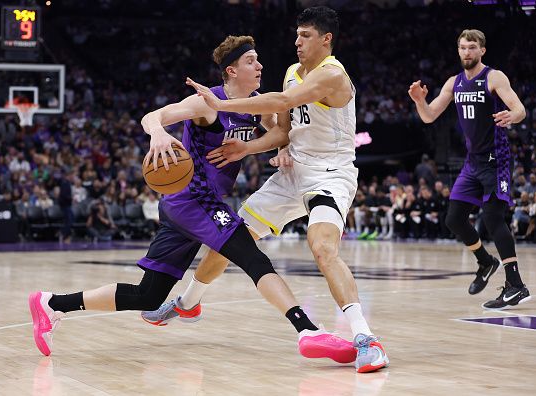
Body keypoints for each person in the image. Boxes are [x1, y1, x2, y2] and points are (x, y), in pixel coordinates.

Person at [28, 35, 354, 363]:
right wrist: (157, 132)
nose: (260, 66)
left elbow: (276, 131)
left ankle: (52, 303)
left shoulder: (251, 105)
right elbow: (154, 116)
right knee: (253, 258)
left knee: (148, 294)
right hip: (194, 199)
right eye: (251, 61)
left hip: (184, 207)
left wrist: (276, 149)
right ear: (232, 70)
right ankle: (308, 330)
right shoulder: (206, 102)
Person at [144, 7, 388, 373]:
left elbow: (283, 102)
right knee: (228, 240)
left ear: (326, 40)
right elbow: (283, 130)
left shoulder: (332, 75)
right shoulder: (293, 73)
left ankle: (366, 339)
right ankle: (188, 302)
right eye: (296, 35)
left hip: (330, 175)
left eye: (305, 36)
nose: (297, 42)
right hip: (292, 175)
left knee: (322, 247)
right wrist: (251, 148)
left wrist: (223, 104)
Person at [408, 29, 530, 309]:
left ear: (482, 51)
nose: (466, 52)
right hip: (472, 163)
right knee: (454, 219)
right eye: (462, 47)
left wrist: (513, 115)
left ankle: (516, 285)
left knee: (492, 218)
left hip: (495, 161)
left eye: (472, 47)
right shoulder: (454, 82)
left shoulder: (494, 77)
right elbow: (429, 116)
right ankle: (485, 262)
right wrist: (418, 101)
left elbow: (520, 109)